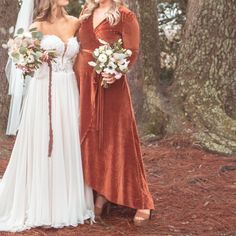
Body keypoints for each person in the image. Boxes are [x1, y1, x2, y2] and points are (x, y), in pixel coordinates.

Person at [0, 0, 94, 232]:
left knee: (67, 141)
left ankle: (67, 201)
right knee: (44, 143)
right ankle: (41, 204)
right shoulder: (37, 26)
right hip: (44, 91)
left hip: (69, 90)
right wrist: (33, 60)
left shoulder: (75, 22)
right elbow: (20, 59)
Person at [75, 0, 154, 226]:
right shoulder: (86, 12)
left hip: (111, 86)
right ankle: (101, 191)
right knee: (91, 137)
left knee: (118, 139)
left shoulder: (125, 15)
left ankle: (141, 199)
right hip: (83, 84)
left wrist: (116, 72)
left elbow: (132, 51)